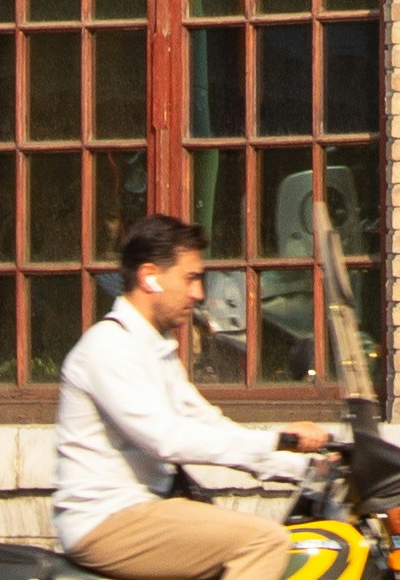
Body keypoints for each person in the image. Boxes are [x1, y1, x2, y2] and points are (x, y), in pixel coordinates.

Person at [50, 216, 339, 580]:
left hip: (147, 509)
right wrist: (278, 440)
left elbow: (207, 423)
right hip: (108, 520)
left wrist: (310, 468)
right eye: (190, 278)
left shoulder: (153, 348)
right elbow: (168, 439)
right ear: (149, 276)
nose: (199, 294)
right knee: (263, 542)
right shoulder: (109, 348)